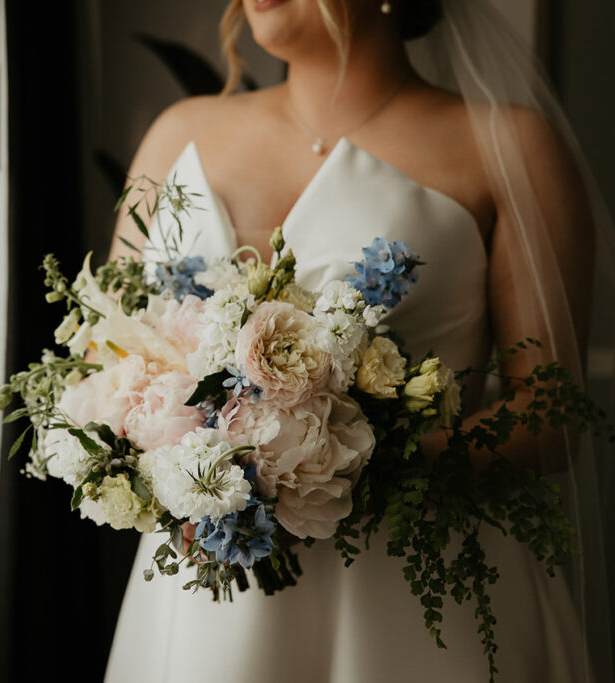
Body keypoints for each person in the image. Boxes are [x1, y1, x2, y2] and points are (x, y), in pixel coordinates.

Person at [105, 0, 614, 680]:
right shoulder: (180, 133)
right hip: (207, 601)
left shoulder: (508, 145)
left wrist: (347, 470)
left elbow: (550, 411)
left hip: (417, 597)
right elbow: (106, 357)